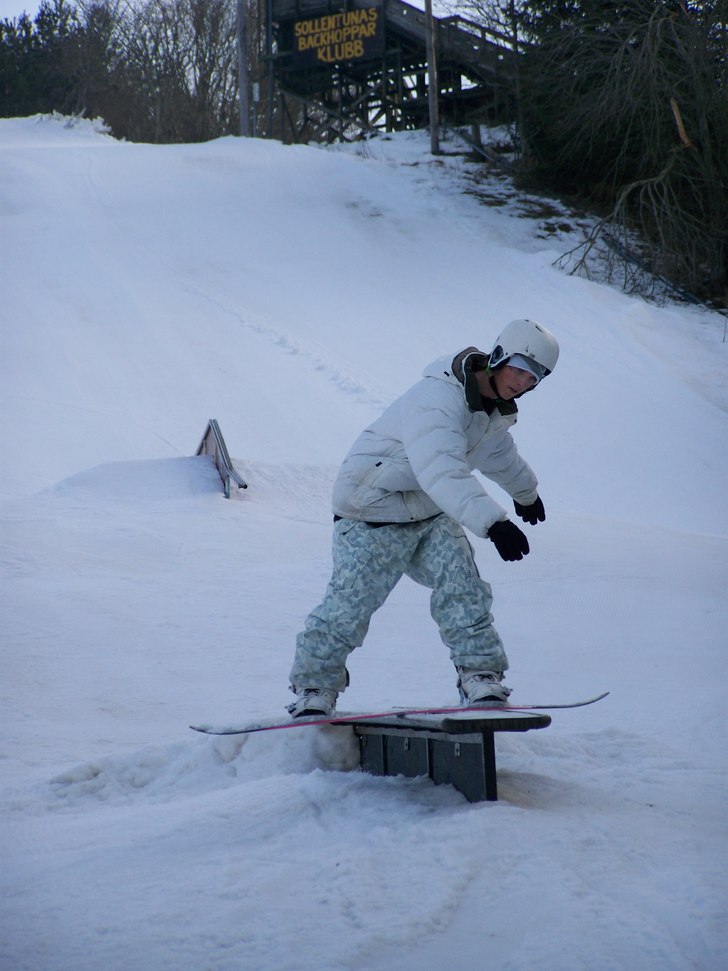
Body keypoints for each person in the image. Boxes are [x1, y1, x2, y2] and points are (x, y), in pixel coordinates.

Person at [287, 318, 560, 718]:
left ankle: (481, 676)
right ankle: (314, 687)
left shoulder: (487, 410)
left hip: (428, 509)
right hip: (374, 506)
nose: (523, 382)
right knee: (351, 604)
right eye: (519, 368)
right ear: (499, 356)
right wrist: (493, 521)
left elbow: (497, 453)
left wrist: (526, 492)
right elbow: (441, 466)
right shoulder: (439, 397)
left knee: (464, 587)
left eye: (534, 376)